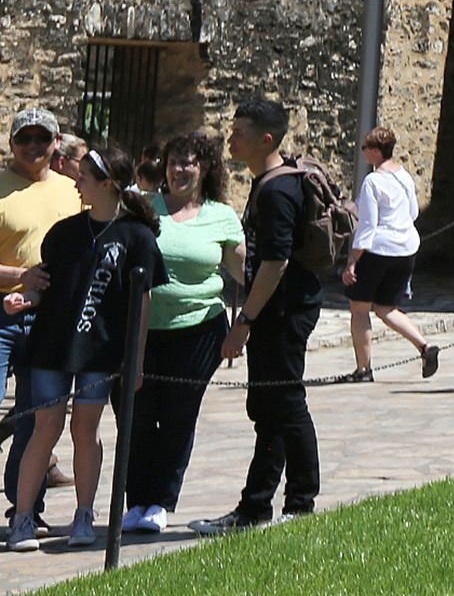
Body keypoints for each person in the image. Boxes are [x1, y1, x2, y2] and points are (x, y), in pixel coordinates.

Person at [6, 146, 163, 552]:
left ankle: (83, 515)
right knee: (45, 428)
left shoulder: (137, 237)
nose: (76, 183)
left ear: (107, 183)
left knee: (85, 429)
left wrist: (137, 359)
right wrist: (25, 298)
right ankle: (22, 518)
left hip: (101, 351)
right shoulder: (64, 233)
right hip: (51, 346)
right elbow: (47, 287)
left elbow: (142, 304)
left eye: (85, 177)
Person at [189, 99, 325, 536]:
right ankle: (255, 507)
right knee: (268, 409)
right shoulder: (269, 182)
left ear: (266, 139)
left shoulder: (276, 191)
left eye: (239, 132)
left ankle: (301, 503)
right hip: (277, 310)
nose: (231, 138)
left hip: (282, 313)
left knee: (285, 405)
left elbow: (275, 263)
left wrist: (243, 321)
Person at [123, 132, 239, 536]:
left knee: (177, 417)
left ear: (205, 168)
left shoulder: (221, 216)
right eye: (174, 161)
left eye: (189, 161)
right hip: (141, 330)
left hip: (199, 332)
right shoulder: (143, 208)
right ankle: (135, 500)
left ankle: (159, 502)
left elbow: (247, 272)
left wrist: (252, 319)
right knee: (134, 417)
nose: (180, 169)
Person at [0, 108, 81, 528]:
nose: (33, 146)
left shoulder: (72, 190)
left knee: (36, 419)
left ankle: (25, 508)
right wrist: (19, 278)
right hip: (1, 317)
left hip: (50, 319)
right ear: (11, 143)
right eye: (24, 138)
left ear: (56, 142)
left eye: (41, 138)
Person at [339, 126, 438, 382]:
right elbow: (413, 213)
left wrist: (352, 260)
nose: (363, 153)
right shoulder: (404, 176)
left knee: (359, 309)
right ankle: (425, 347)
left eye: (365, 149)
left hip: (378, 249)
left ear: (374, 151)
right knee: (385, 307)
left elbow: (367, 225)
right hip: (406, 249)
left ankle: (364, 369)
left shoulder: (373, 181)